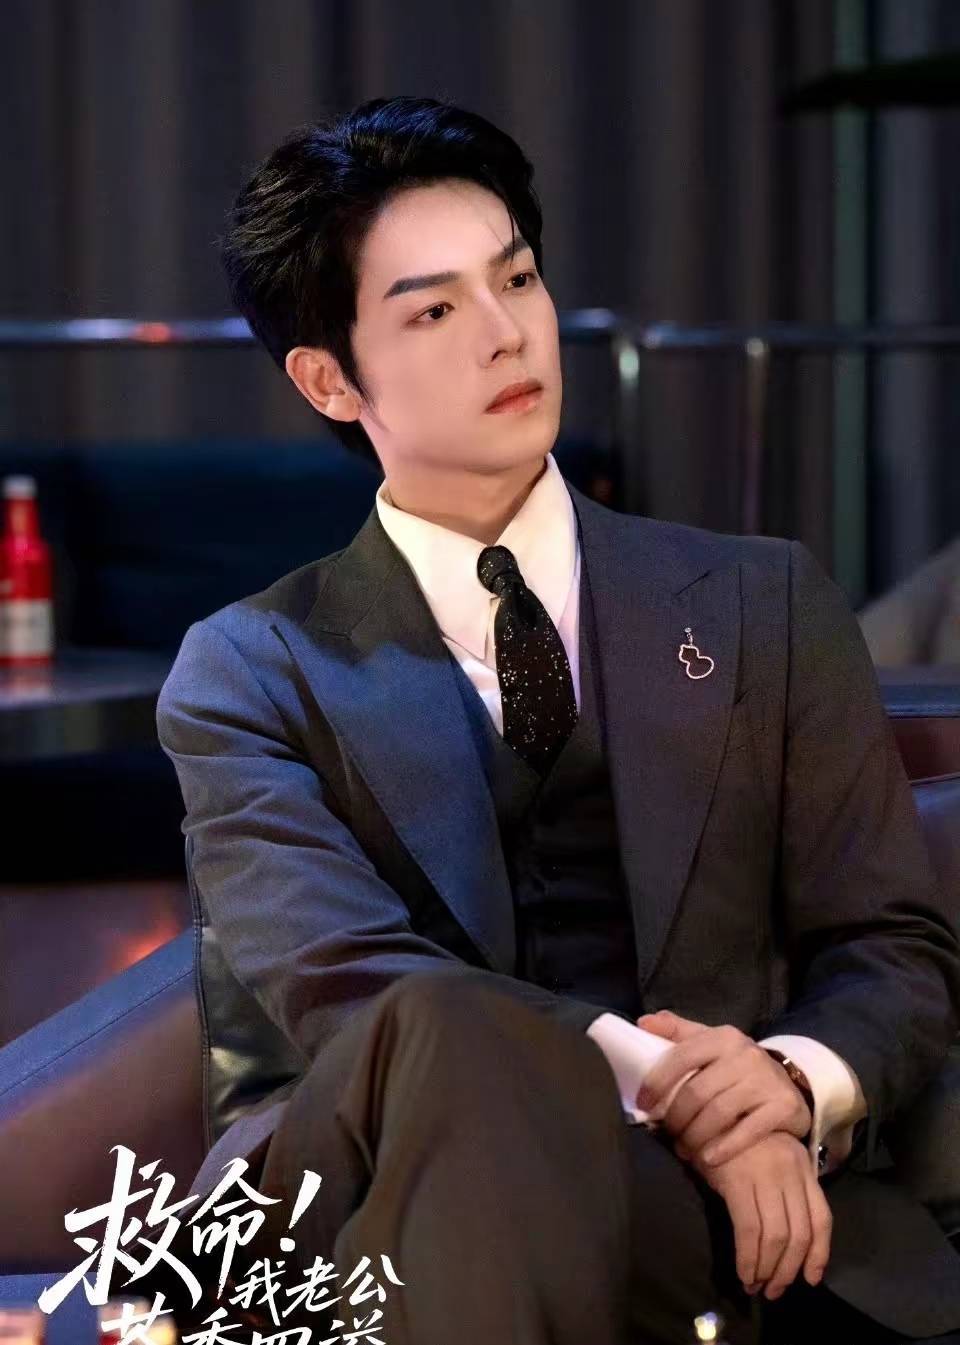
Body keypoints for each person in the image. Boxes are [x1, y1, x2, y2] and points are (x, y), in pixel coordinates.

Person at [154, 95, 960, 1343]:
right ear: (329, 378)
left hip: (735, 1219)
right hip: (390, 1194)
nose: (506, 333)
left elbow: (892, 947)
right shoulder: (251, 671)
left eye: (517, 278)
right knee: (447, 1031)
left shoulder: (762, 600)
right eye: (433, 311)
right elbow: (352, 991)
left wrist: (786, 1085)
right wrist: (688, 1093)